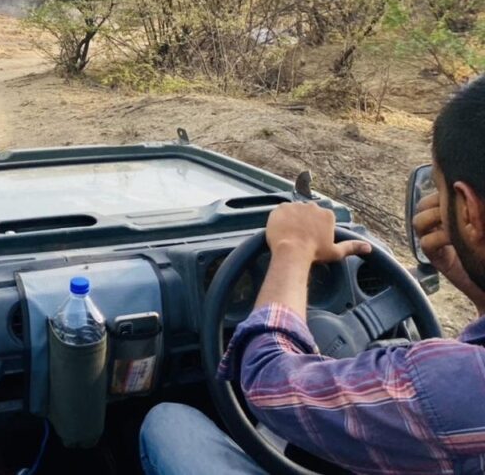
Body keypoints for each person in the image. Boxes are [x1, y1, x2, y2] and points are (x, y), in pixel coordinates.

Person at [140, 76, 485, 475]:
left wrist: (292, 250)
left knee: (167, 423)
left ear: (467, 210)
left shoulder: (451, 385)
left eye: (437, 191)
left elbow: (267, 383)